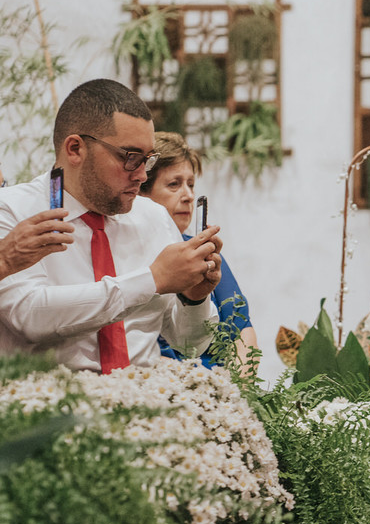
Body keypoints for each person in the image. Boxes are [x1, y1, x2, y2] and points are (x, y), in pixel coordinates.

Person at [0, 78, 221, 372]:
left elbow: (188, 344)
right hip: (51, 409)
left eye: (148, 160)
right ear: (75, 149)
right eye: (130, 157)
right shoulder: (12, 209)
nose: (142, 175)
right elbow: (31, 317)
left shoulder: (153, 217)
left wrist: (195, 299)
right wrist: (152, 280)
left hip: (147, 405)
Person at [141, 132, 257, 369]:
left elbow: (243, 332)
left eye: (191, 185)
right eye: (174, 184)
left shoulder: (204, 253)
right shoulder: (132, 251)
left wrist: (238, 389)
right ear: (142, 193)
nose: (189, 196)